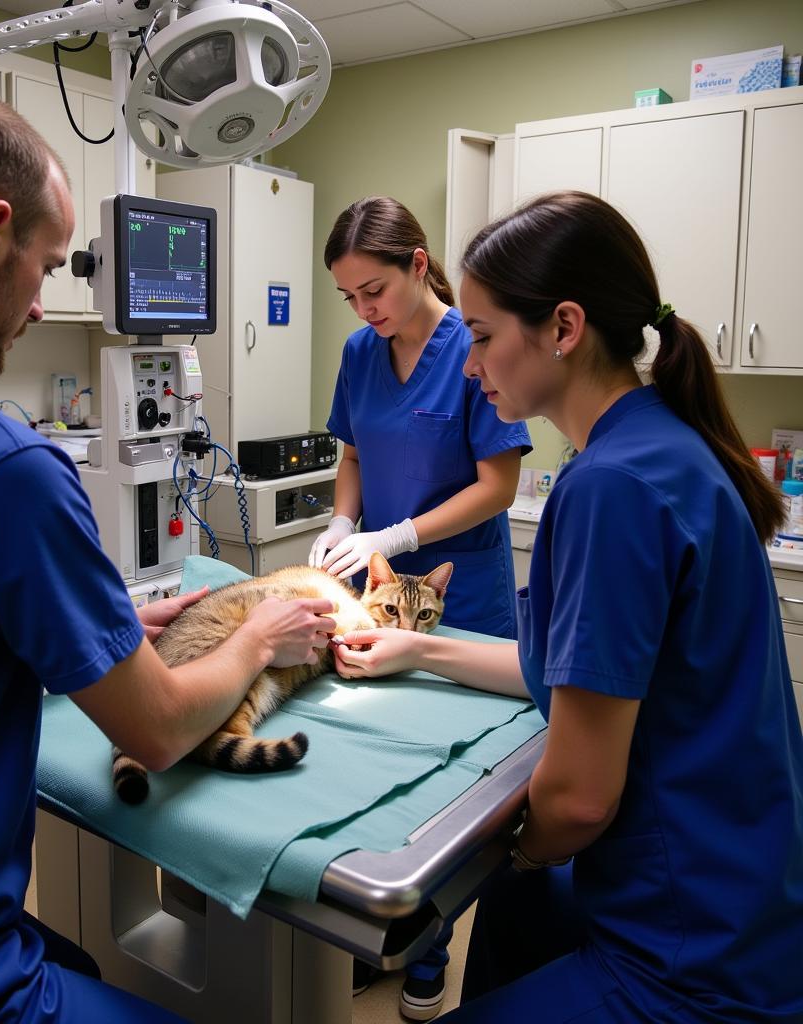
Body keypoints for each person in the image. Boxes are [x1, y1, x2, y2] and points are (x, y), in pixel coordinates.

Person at [0, 90, 338, 1024]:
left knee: (80, 952)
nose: (41, 302)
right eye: (43, 265)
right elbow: (156, 732)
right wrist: (255, 636)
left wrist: (84, 632)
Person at [333, 191, 803, 1022]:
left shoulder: (610, 490)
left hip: (689, 949)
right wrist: (420, 651)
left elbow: (579, 802)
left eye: (480, 338)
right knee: (515, 923)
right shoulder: (660, 445)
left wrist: (499, 850)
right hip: (742, 887)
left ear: (563, 328)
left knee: (513, 884)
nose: (469, 365)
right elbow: (576, 668)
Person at [308, 196, 531, 1020]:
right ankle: (380, 933)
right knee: (382, 760)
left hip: (456, 592)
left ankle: (430, 948)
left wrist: (399, 534)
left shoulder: (466, 352)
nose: (365, 311)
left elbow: (496, 486)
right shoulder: (361, 354)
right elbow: (354, 452)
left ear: (417, 265)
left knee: (453, 785)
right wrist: (341, 522)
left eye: (375, 290)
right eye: (350, 298)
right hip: (374, 587)